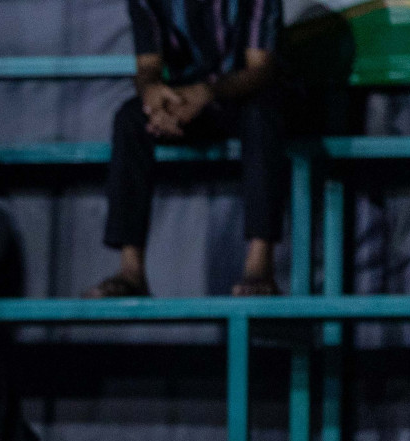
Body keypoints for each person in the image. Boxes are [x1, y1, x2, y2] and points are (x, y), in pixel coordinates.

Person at [86, 0, 286, 298]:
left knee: (262, 115)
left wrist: (208, 92)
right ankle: (131, 271)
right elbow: (148, 67)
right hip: (185, 103)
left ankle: (260, 267)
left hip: (243, 96)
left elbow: (260, 70)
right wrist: (153, 94)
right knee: (130, 120)